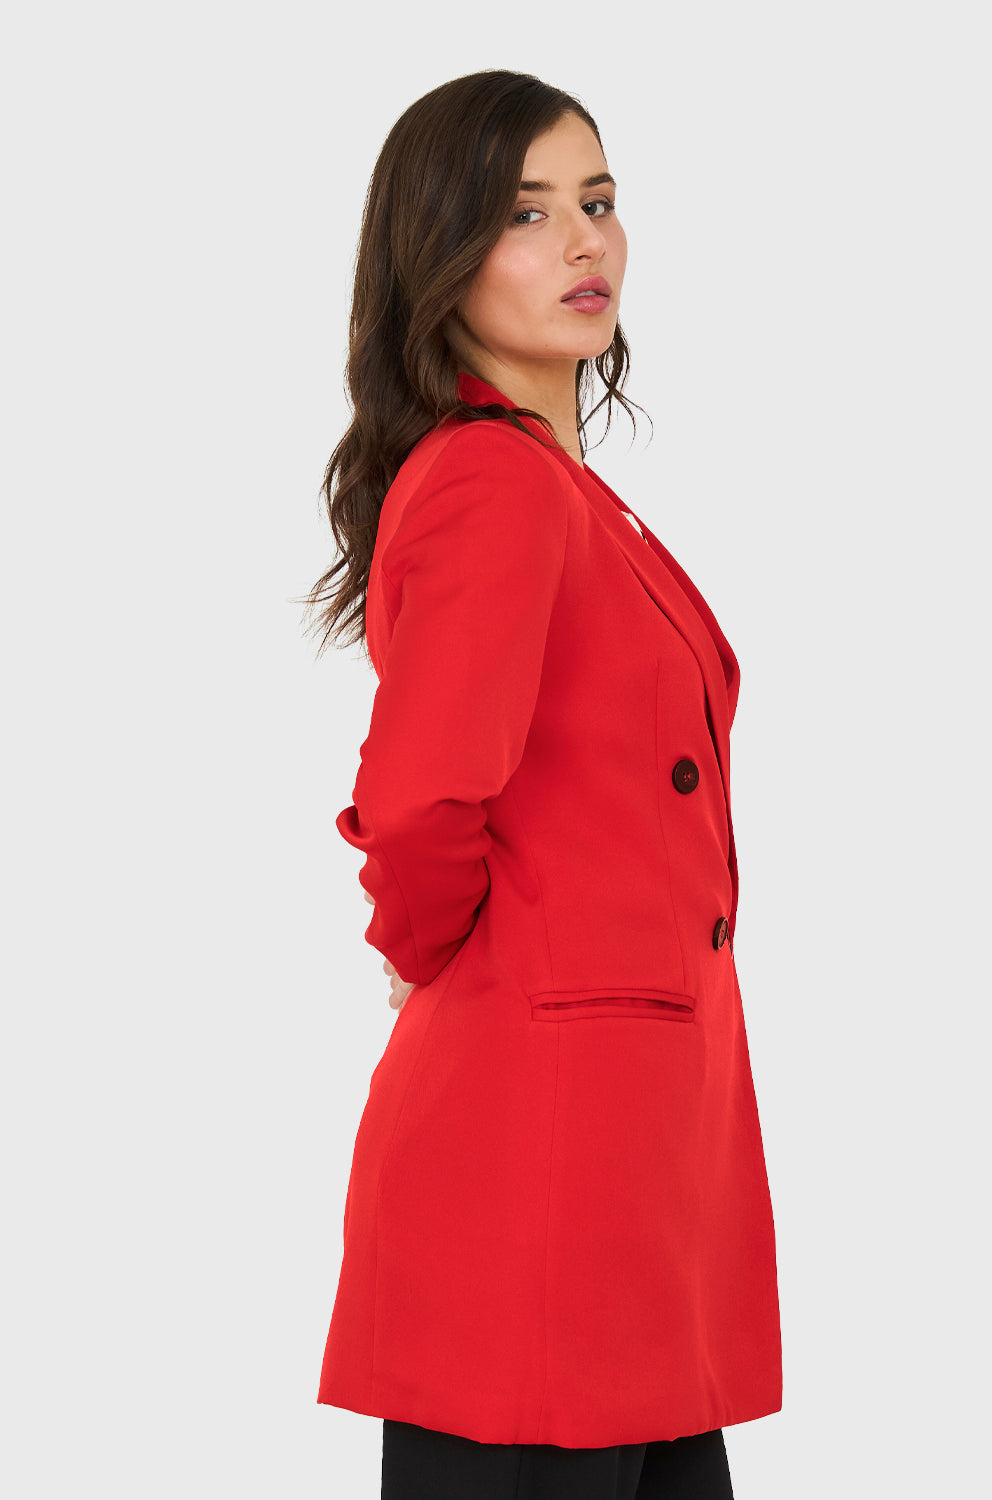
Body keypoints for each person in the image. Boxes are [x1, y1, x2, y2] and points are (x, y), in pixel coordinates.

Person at [305, 69, 782, 1500]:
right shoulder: (493, 485)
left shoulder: (567, 492)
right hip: (541, 1153)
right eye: (526, 213)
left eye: (598, 200)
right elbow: (420, 799)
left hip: (635, 1148)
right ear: (440, 255)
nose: (585, 242)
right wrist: (433, 954)